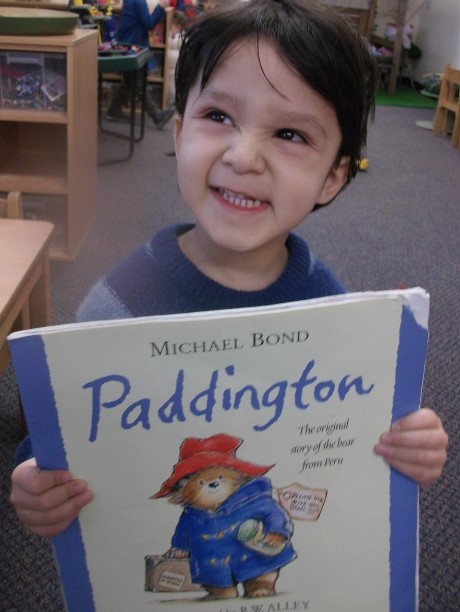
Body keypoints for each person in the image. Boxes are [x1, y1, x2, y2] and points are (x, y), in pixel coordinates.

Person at [11, 0, 447, 539]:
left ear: (333, 178)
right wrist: (36, 478)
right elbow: (64, 430)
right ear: (178, 135)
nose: (244, 156)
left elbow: (355, 440)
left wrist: (408, 444)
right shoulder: (118, 301)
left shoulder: (331, 311)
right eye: (218, 117)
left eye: (290, 134)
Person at [106, 0, 174, 128]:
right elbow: (149, 23)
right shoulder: (138, 1)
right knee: (137, 83)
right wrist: (160, 7)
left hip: (128, 43)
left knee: (129, 81)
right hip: (134, 45)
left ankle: (113, 110)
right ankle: (156, 116)